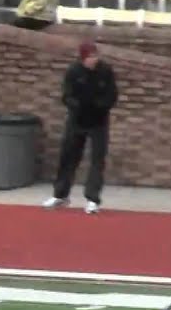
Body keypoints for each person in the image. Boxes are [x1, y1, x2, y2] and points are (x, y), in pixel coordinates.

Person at [43, 40, 118, 215]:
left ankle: (92, 199)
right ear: (83, 58)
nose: (93, 60)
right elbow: (66, 95)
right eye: (90, 57)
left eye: (95, 56)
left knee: (97, 160)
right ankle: (60, 195)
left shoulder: (105, 71)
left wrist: (100, 107)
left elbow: (112, 95)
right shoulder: (73, 71)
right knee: (68, 157)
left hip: (98, 121)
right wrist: (76, 106)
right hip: (77, 120)